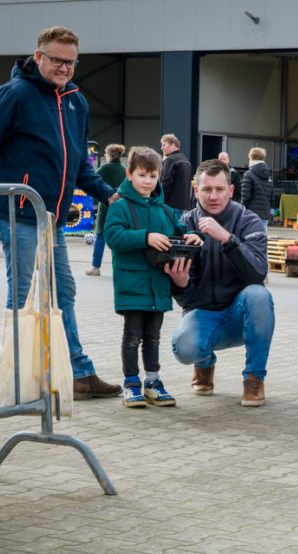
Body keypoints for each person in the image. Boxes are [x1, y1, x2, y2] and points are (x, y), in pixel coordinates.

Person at [0, 25, 122, 400]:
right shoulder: (13, 95)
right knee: (22, 296)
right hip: (16, 214)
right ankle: (17, 379)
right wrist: (13, 187)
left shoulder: (76, 102)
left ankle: (79, 372)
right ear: (39, 57)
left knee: (62, 292)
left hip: (49, 219)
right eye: (57, 60)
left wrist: (109, 195)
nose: (64, 68)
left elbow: (81, 164)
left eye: (71, 62)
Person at [166, 159, 274, 407]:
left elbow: (258, 273)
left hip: (240, 315)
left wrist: (228, 240)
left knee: (259, 295)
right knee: (184, 347)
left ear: (231, 190)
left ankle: (254, 378)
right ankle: (204, 365)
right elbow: (186, 299)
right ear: (196, 191)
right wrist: (180, 284)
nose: (213, 196)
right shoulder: (183, 225)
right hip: (203, 313)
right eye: (206, 189)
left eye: (219, 189)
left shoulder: (249, 221)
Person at [102, 146, 183, 408]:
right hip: (132, 284)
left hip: (158, 285)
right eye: (142, 175)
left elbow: (181, 229)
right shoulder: (119, 206)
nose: (148, 181)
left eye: (153, 176)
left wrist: (194, 236)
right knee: (132, 336)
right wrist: (144, 237)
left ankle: (152, 381)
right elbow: (113, 236)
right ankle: (131, 383)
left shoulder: (165, 210)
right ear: (129, 174)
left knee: (153, 337)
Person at [86, 143, 126, 276]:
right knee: (118, 236)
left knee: (101, 235)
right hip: (121, 205)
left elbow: (93, 178)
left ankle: (95, 267)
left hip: (106, 204)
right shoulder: (124, 169)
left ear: (109, 155)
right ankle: (119, 267)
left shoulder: (105, 167)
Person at [240, 146, 273, 230]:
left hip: (251, 213)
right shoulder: (269, 175)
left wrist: (241, 210)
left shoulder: (249, 174)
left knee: (251, 238)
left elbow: (245, 196)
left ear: (251, 158)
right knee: (262, 238)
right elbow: (272, 197)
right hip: (265, 213)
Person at [159, 133, 192, 213]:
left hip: (171, 207)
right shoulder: (186, 161)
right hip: (184, 207)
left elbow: (165, 184)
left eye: (164, 145)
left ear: (173, 145)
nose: (161, 148)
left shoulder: (170, 160)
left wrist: (160, 201)